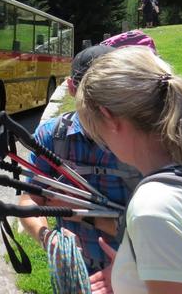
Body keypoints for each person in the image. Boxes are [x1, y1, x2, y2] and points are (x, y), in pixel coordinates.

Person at [76, 46, 182, 294]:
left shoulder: (153, 208)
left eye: (97, 131)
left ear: (109, 119)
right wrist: (132, 274)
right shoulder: (180, 176)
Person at [18, 45, 140, 274]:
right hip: (73, 272)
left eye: (106, 91)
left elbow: (157, 228)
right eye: (91, 92)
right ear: (72, 87)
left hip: (137, 272)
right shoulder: (52, 136)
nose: (100, 105)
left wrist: (81, 213)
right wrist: (49, 239)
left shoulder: (139, 137)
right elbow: (29, 200)